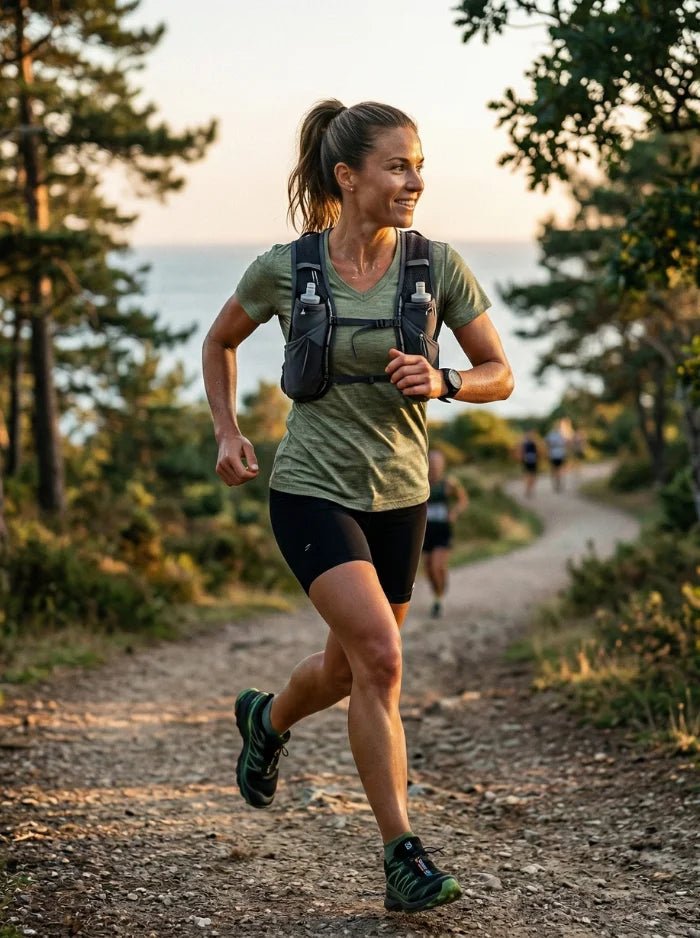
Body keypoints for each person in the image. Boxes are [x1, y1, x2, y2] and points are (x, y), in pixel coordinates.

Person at [202, 99, 514, 915]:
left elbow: (498, 373)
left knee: (346, 671)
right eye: (397, 165)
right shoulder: (287, 268)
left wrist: (447, 381)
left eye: (418, 165)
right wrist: (229, 432)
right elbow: (220, 341)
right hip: (310, 489)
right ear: (348, 176)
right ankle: (400, 854)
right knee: (380, 657)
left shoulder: (436, 266)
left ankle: (267, 719)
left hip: (400, 497)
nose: (415, 180)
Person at [422, 448, 468, 618]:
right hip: (425, 531)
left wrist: (454, 512)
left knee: (437, 566)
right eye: (431, 462)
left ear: (442, 465)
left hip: (442, 530)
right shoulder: (420, 482)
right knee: (428, 569)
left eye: (437, 463)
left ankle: (438, 601)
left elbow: (463, 500)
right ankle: (438, 592)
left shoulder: (449, 482)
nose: (434, 466)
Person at [545, 421, 567, 491]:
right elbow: (547, 444)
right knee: (555, 469)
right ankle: (556, 482)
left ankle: (558, 483)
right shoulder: (551, 434)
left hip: (560, 454)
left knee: (559, 469)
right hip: (554, 455)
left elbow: (566, 443)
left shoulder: (562, 434)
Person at [519, 428, 539, 498]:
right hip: (529, 461)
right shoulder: (527, 443)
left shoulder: (527, 442)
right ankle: (528, 490)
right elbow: (522, 452)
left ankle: (529, 490)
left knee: (531, 476)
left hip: (531, 461)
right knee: (529, 476)